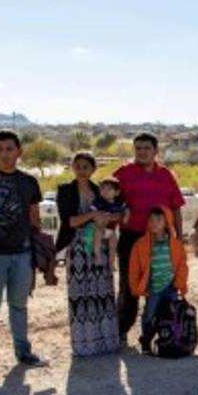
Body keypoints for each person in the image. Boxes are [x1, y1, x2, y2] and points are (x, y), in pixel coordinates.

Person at [0, 130, 47, 374]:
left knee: (19, 306)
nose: (4, 154)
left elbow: (35, 219)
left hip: (22, 253)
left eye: (9, 149)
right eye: (0, 149)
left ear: (19, 152)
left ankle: (23, 352)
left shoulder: (29, 182)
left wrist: (39, 252)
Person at [113, 133, 186, 342]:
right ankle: (122, 329)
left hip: (162, 239)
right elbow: (109, 202)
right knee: (130, 284)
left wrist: (178, 239)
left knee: (161, 283)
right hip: (131, 237)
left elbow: (176, 208)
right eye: (138, 148)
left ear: (156, 151)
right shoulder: (122, 174)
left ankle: (158, 331)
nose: (142, 152)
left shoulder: (166, 175)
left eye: (146, 148)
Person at [54, 152, 121, 357]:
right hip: (77, 247)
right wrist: (92, 215)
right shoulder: (65, 191)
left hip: (99, 245)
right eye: (78, 166)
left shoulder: (100, 189)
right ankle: (84, 344)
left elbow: (114, 214)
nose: (81, 170)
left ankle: (106, 341)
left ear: (93, 169)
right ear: (72, 167)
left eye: (85, 166)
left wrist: (106, 219)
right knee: (80, 294)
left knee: (103, 292)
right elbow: (70, 222)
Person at [128, 207, 188, 352]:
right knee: (149, 314)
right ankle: (146, 340)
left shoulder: (175, 245)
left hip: (171, 287)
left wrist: (179, 283)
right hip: (153, 288)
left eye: (158, 220)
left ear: (167, 222)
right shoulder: (141, 245)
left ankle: (172, 339)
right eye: (151, 220)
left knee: (172, 315)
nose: (154, 223)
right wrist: (136, 286)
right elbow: (134, 267)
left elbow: (182, 266)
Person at [82, 178, 127, 259]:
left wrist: (126, 217)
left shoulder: (119, 203)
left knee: (114, 240)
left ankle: (111, 260)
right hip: (98, 228)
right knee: (97, 236)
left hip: (110, 230)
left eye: (109, 189)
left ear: (117, 192)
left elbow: (126, 210)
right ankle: (97, 256)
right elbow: (92, 213)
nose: (105, 191)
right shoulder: (98, 202)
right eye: (103, 188)